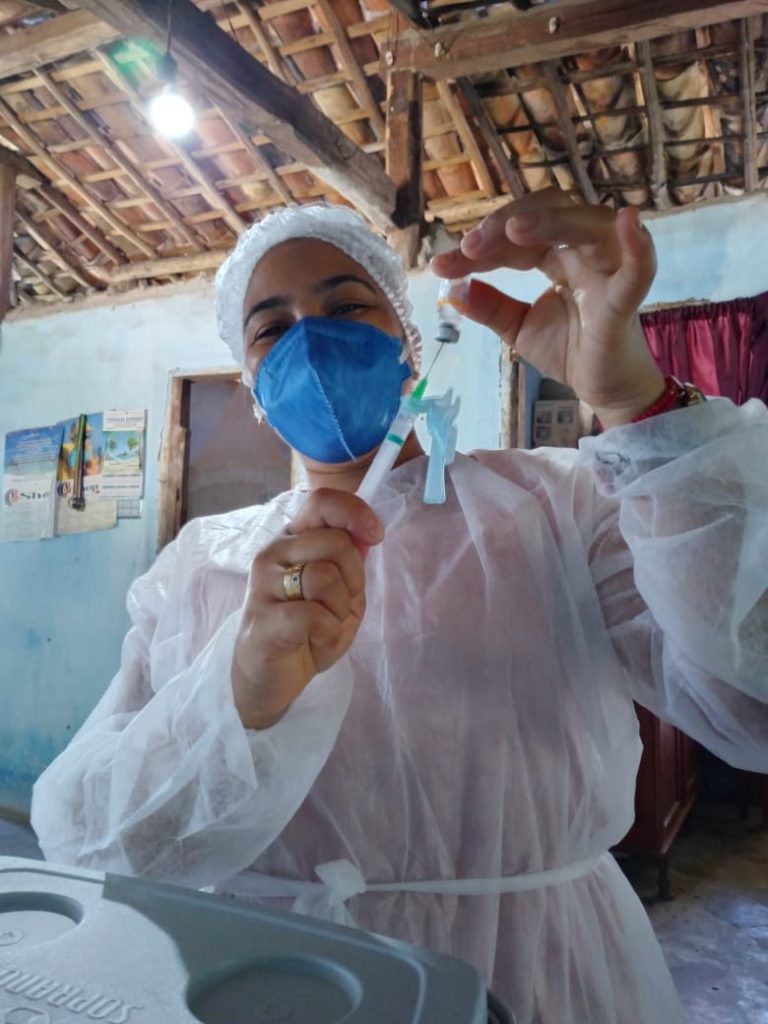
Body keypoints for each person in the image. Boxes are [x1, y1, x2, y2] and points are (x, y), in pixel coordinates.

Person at [31, 190, 768, 1024]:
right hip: (271, 982)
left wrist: (636, 402)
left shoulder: (557, 508)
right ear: (253, 385)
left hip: (535, 983)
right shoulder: (200, 564)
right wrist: (240, 697)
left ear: (410, 348)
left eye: (347, 306)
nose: (312, 342)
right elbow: (95, 840)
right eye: (272, 328)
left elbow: (753, 703)